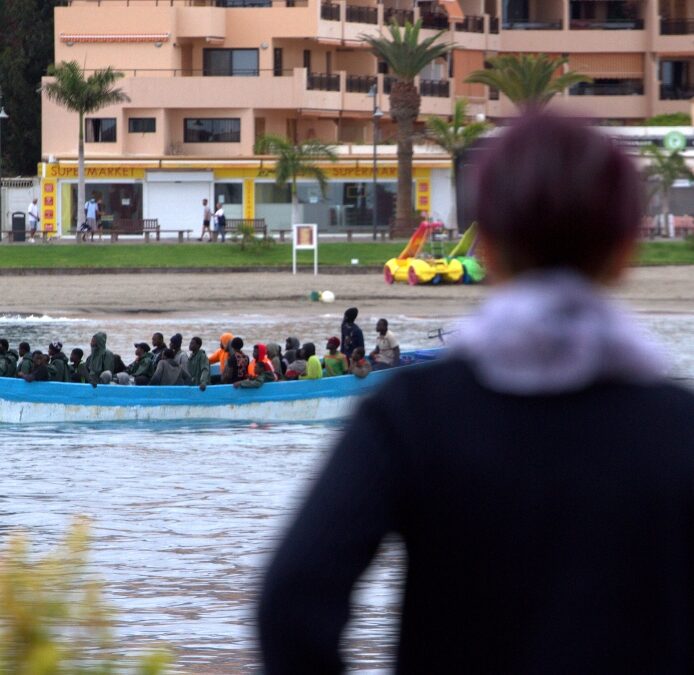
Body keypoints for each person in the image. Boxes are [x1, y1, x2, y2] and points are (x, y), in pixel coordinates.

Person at [258, 112, 694, 673]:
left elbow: (292, 603)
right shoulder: (677, 427)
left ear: (489, 240)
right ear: (624, 245)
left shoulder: (411, 414)